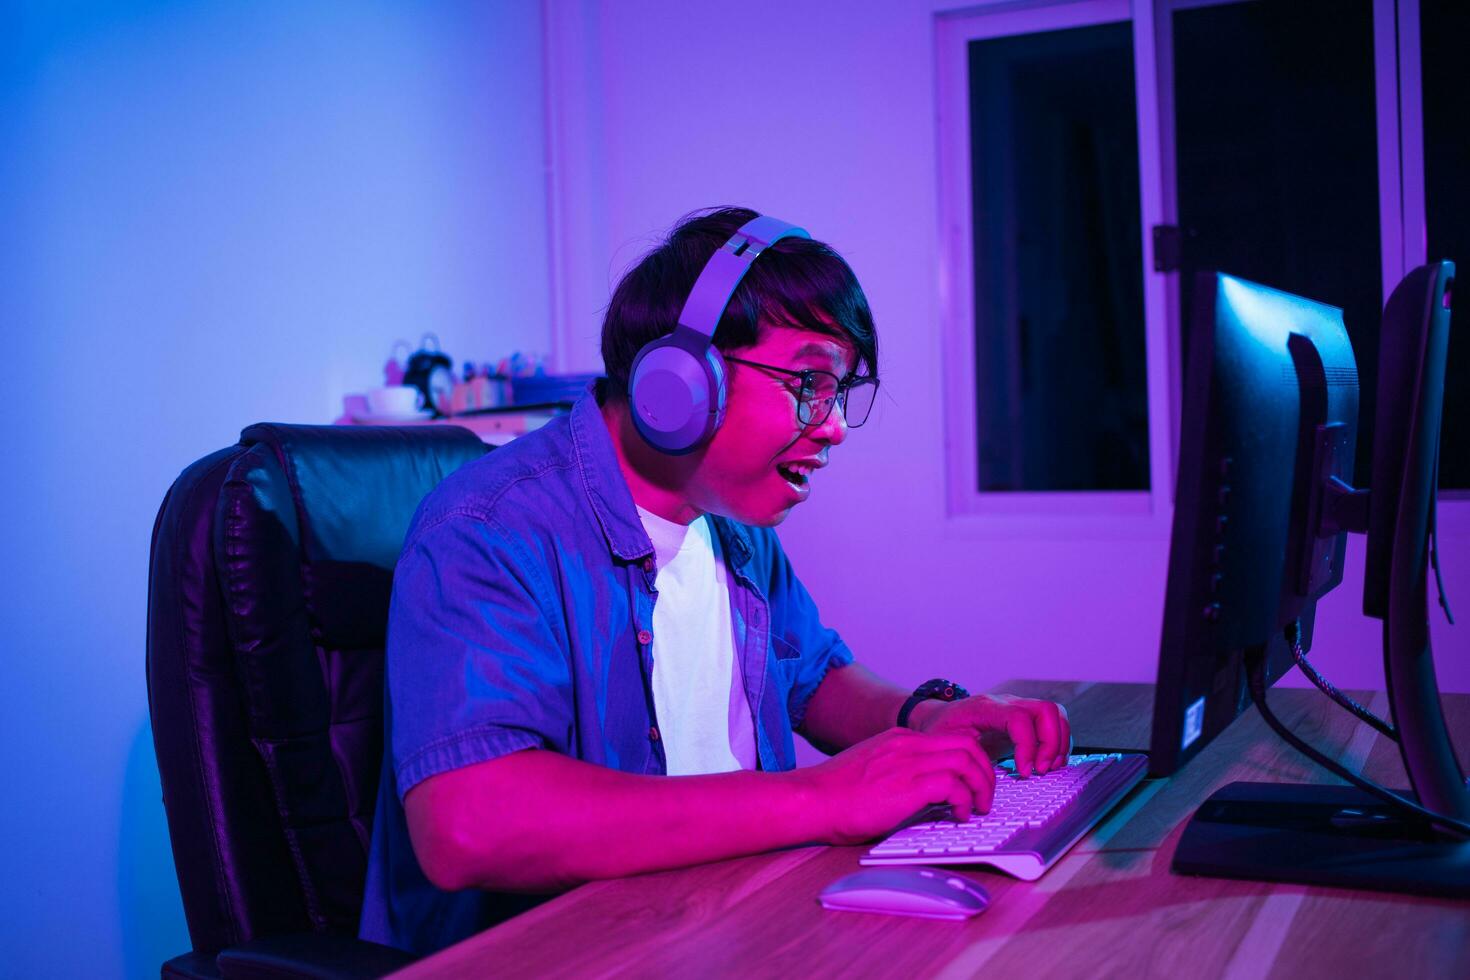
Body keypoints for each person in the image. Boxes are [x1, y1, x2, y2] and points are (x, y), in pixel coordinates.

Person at [359, 207, 1070, 955]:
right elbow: (469, 822)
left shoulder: (729, 523)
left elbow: (813, 677)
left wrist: (927, 720)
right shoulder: (489, 532)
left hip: (727, 925)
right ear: (680, 382)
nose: (831, 426)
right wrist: (821, 797)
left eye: (838, 394)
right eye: (810, 382)